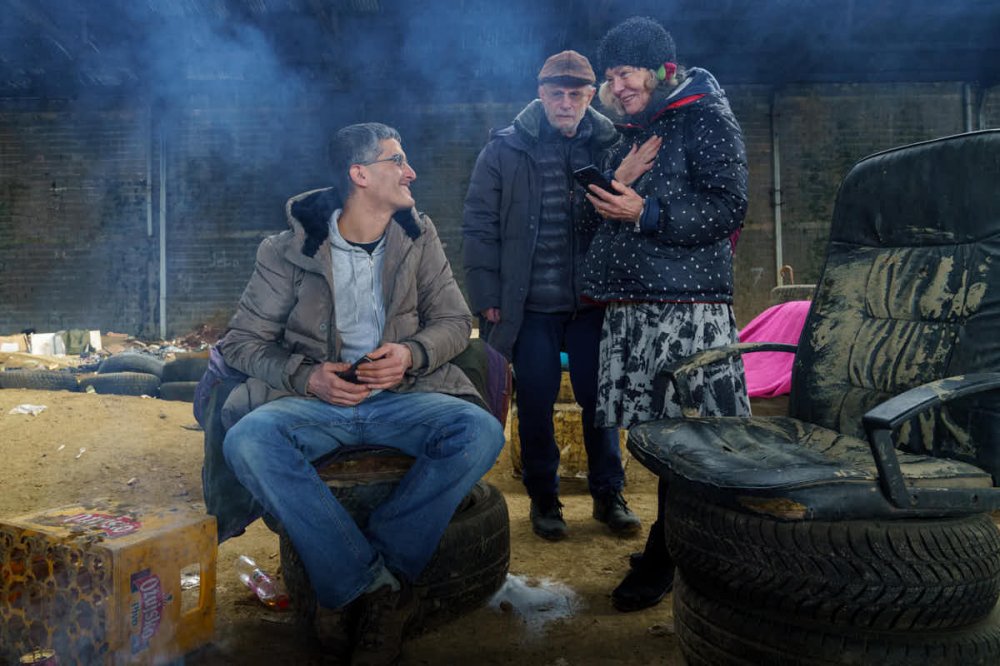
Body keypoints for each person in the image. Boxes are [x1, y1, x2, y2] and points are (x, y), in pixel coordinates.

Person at [218, 122, 505, 664]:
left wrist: (410, 356)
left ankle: (374, 572)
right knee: (248, 441)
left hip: (402, 397)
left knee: (478, 431)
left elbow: (453, 320)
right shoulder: (286, 251)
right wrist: (308, 377)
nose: (410, 171)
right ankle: (375, 590)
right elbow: (242, 343)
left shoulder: (419, 239)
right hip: (314, 404)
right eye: (398, 160)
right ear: (360, 174)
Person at [581, 17, 751, 611]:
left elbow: (730, 207)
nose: (616, 85)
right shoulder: (633, 132)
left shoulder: (705, 117)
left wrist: (646, 212)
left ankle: (666, 553)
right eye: (609, 76)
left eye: (625, 72)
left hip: (686, 310)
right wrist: (615, 183)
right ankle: (673, 538)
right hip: (637, 305)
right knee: (661, 439)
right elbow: (604, 216)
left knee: (692, 438)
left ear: (661, 70)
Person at [462, 50, 655, 541]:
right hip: (531, 304)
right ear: (541, 93)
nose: (565, 103)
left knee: (600, 401)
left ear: (592, 96)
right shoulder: (504, 150)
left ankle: (608, 494)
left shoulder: (614, 146)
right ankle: (545, 499)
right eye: (556, 94)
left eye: (576, 94)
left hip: (595, 302)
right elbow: (479, 226)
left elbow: (631, 216)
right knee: (535, 400)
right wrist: (486, 294)